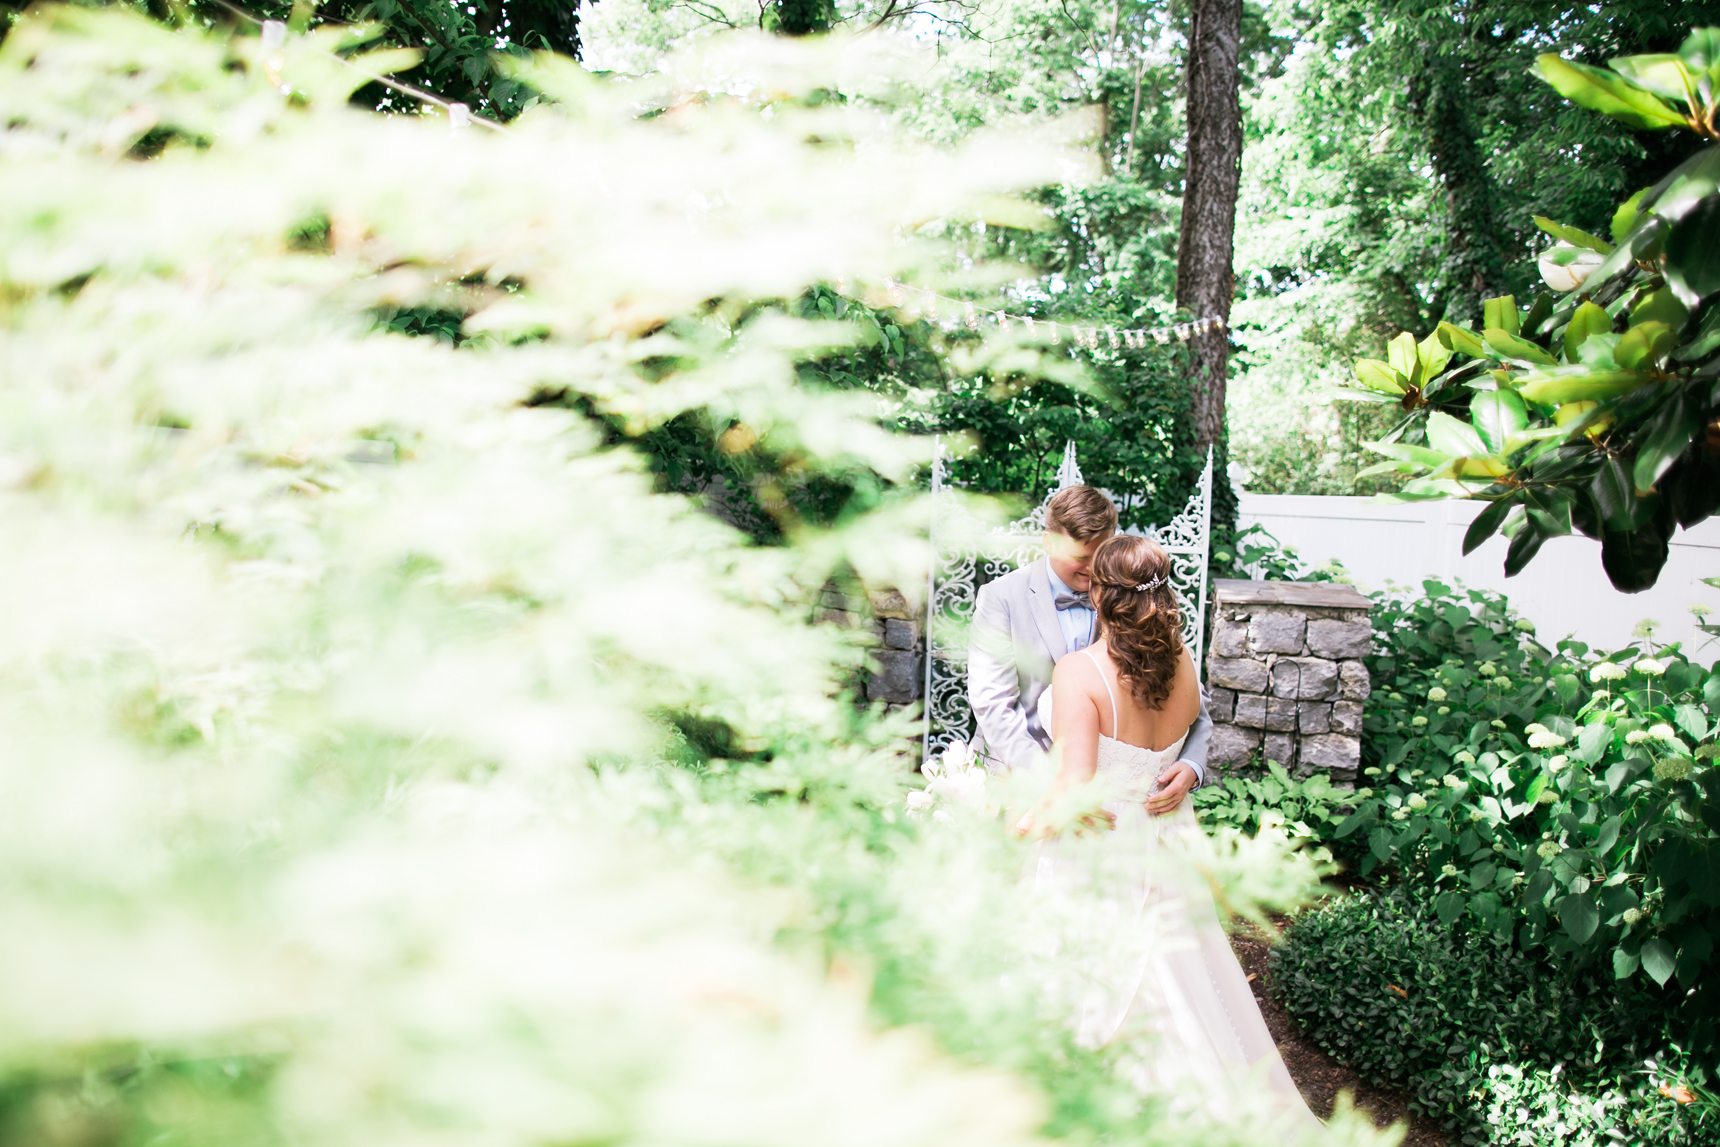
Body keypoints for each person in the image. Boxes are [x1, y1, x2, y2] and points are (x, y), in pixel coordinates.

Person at [1015, 535, 1322, 1134]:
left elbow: (1074, 789)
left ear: (1101, 595)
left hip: (1100, 845)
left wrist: (1016, 823)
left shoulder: (1080, 672)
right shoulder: (1181, 664)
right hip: (1164, 832)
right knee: (1179, 977)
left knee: (1093, 977)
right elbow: (1182, 734)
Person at [967, 484, 1212, 814]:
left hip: (1121, 798)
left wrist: (1192, 764)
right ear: (1048, 542)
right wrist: (1057, 788)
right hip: (1017, 783)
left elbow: (1186, 691)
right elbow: (992, 703)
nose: (1092, 571)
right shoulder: (1001, 598)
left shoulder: (1133, 599)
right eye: (1080, 558)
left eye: (1100, 557)